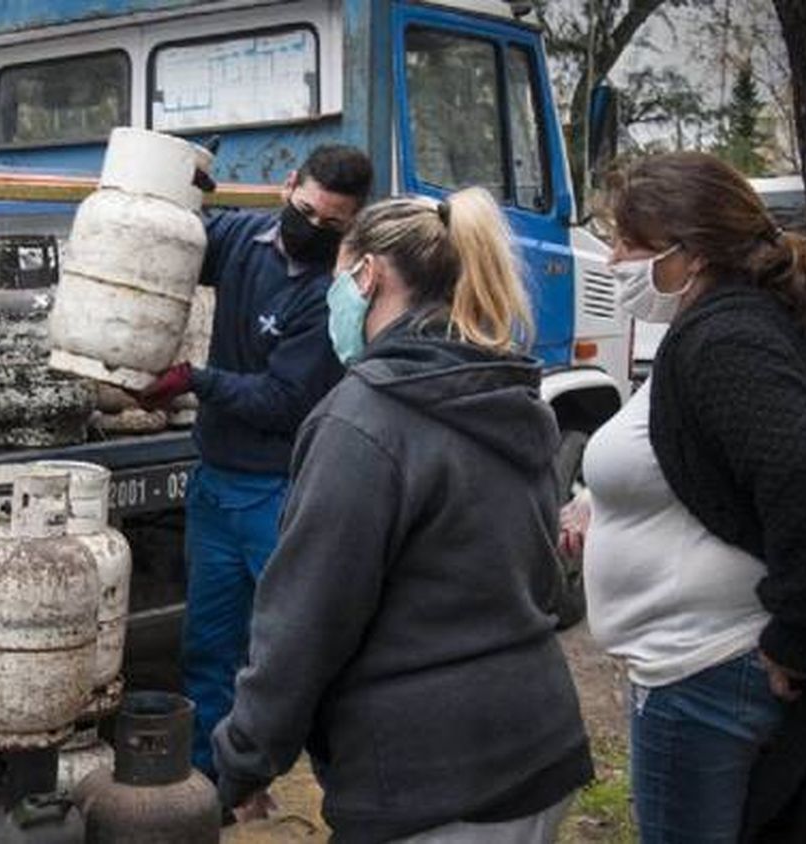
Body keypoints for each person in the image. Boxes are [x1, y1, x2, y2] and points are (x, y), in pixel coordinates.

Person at [210, 188, 594, 843]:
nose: (334, 301)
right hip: (541, 750)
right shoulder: (506, 390)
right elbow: (542, 581)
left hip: (433, 781)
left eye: (338, 281)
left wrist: (244, 760)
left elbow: (306, 619)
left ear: (368, 276)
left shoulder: (363, 420)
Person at [560, 151, 806, 842]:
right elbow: (710, 463)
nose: (612, 262)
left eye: (628, 244)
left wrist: (795, 633)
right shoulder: (725, 326)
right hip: (702, 667)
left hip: (704, 671)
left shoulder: (727, 337)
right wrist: (600, 508)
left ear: (689, 254)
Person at [138, 144, 374, 777]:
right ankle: (212, 782)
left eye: (333, 224)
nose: (314, 228)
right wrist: (178, 198)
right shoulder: (243, 237)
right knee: (207, 647)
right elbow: (176, 245)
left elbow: (281, 400)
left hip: (279, 494)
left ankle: (320, 778)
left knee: (292, 652)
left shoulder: (332, 298)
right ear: (288, 186)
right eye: (307, 211)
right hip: (215, 485)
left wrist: (194, 379)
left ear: (353, 224)